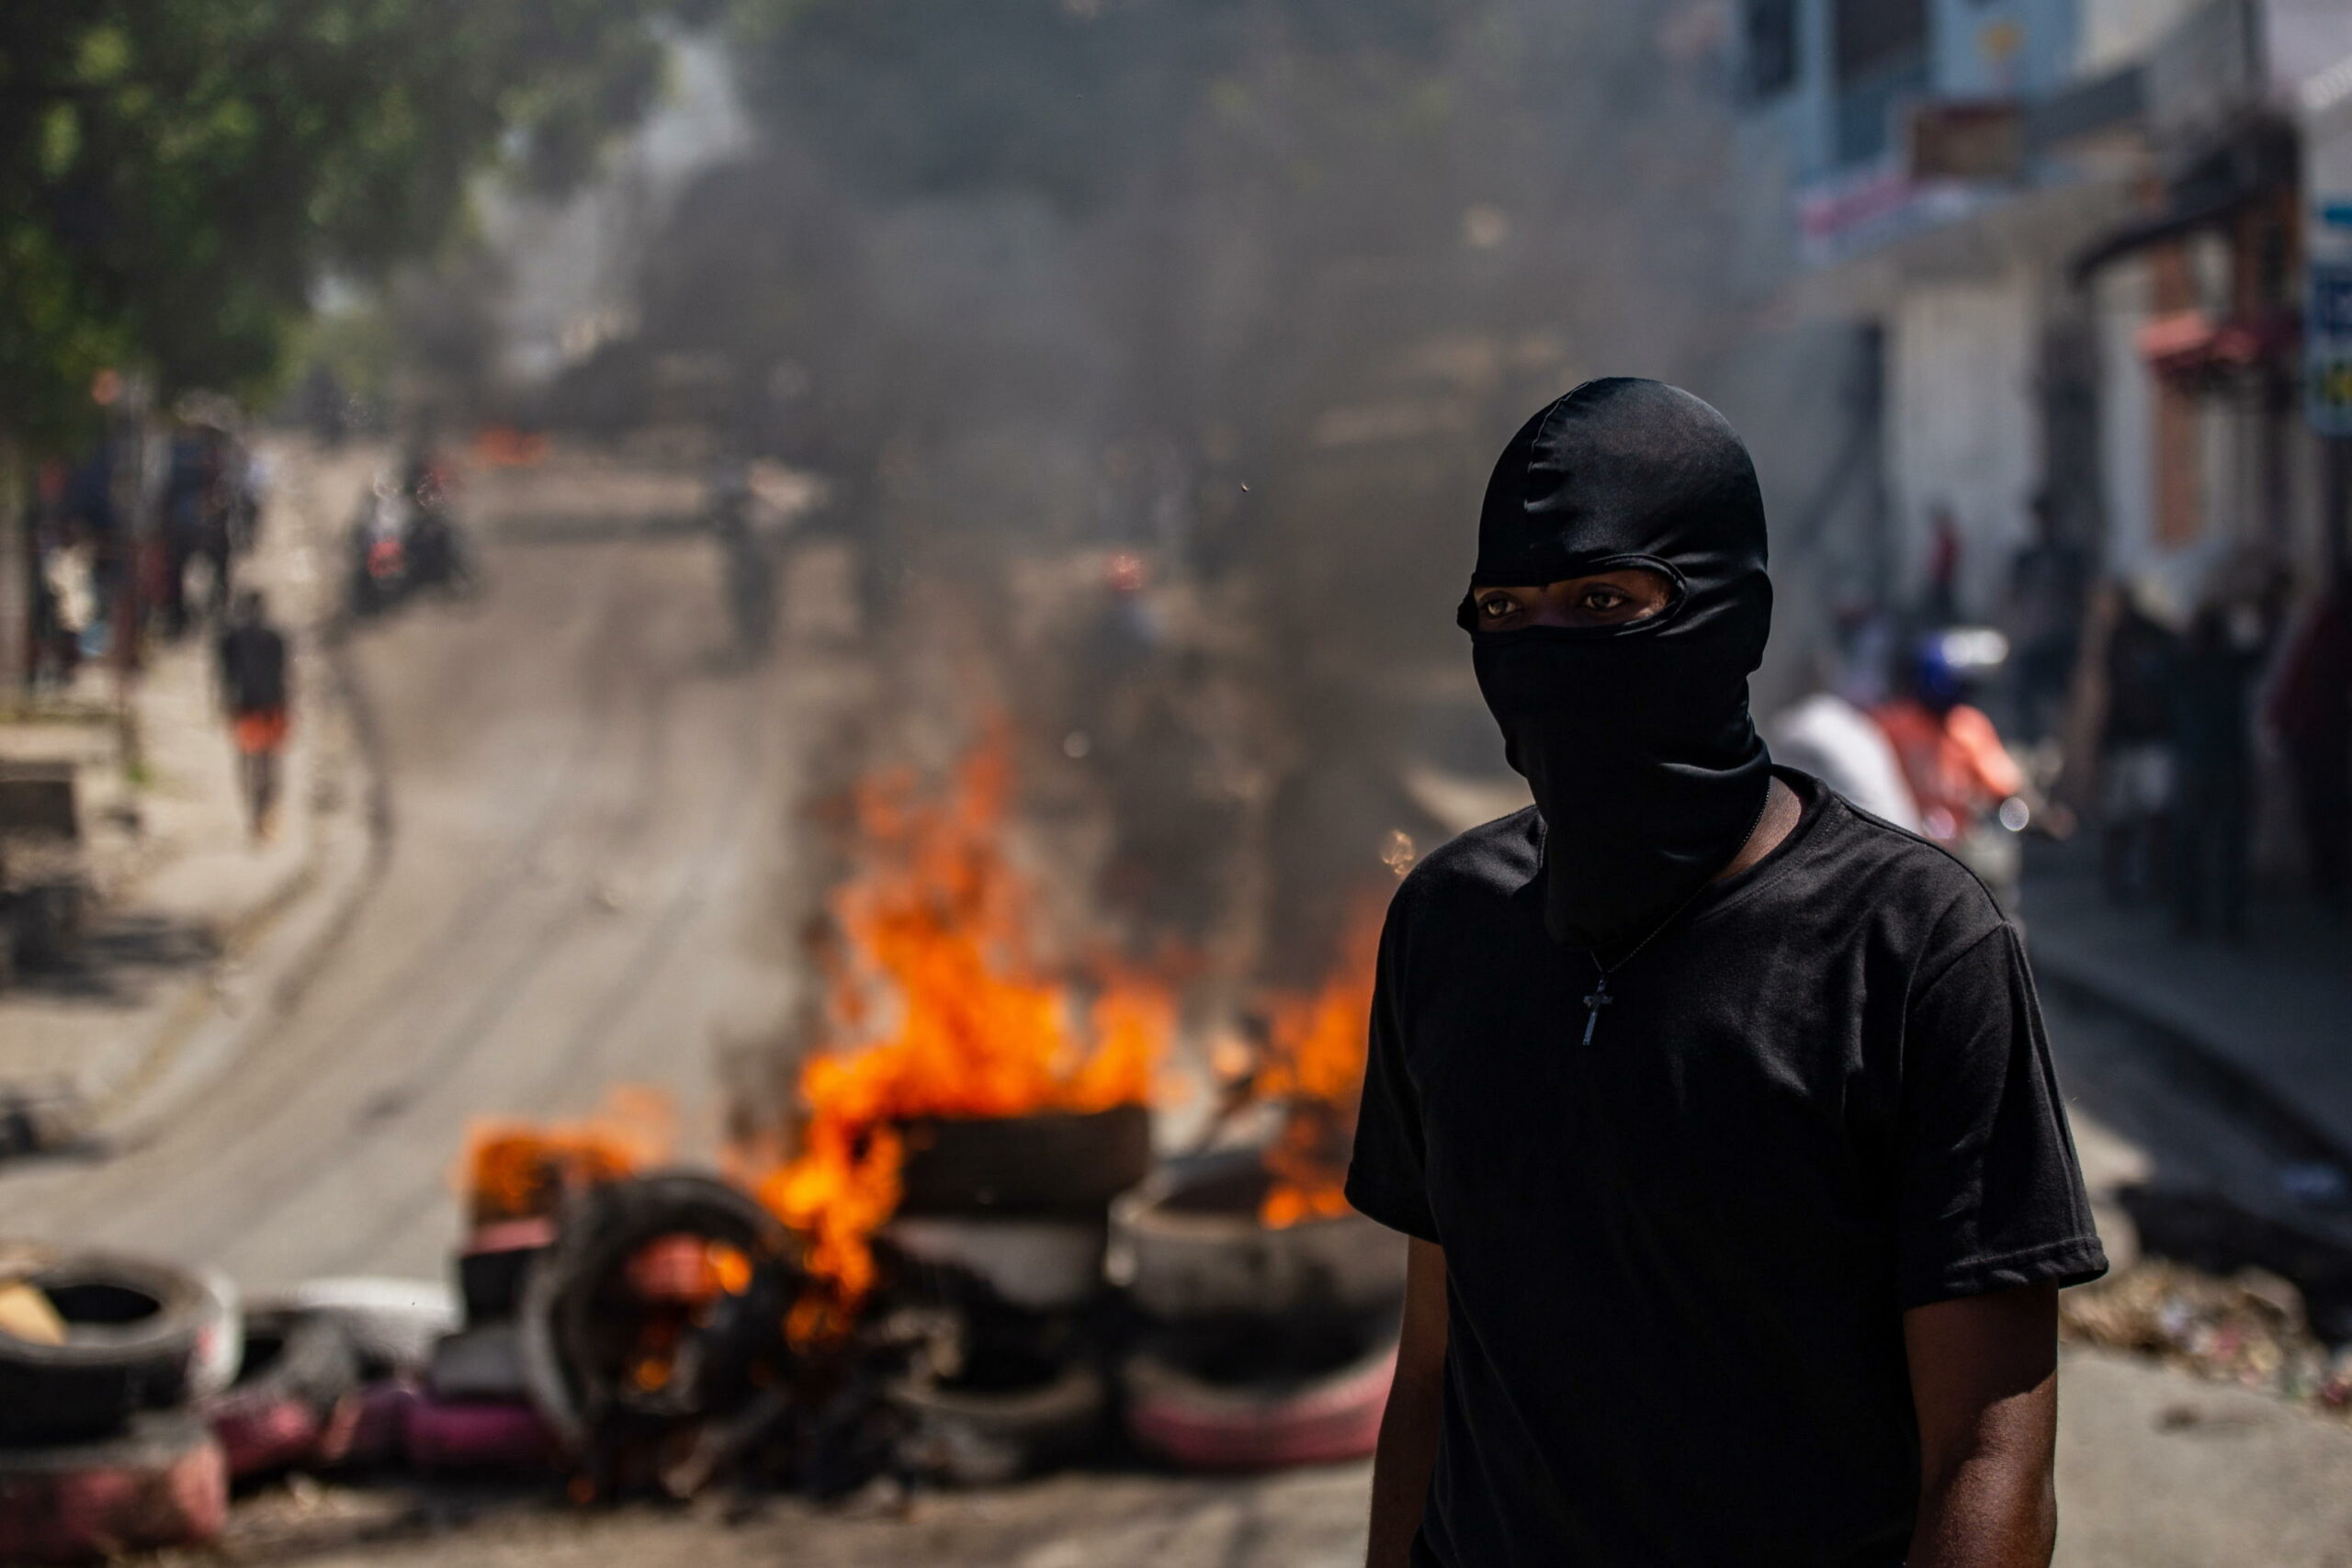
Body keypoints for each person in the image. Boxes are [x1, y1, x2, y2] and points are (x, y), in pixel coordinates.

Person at [1350, 380, 2104, 1568]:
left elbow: (1988, 1450)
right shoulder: (1446, 926)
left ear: (1732, 619)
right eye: (1506, 607)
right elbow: (1439, 1357)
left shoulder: (1911, 945)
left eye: (1604, 600)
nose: (1548, 648)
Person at [2168, 597, 2268, 940]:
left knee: (2193, 846)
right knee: (2226, 846)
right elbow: (2262, 647)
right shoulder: (2229, 663)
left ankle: (2192, 915)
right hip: (2224, 765)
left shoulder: (2185, 665)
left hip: (2199, 765)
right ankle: (2228, 918)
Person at [2267, 569, 2351, 917]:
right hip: (2318, 736)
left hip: (2313, 734)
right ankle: (2331, 888)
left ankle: (2331, 886)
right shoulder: (2327, 625)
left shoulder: (2321, 623)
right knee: (2325, 814)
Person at [2096, 582, 2177, 903]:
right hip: (2124, 741)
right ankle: (2120, 884)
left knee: (2156, 816)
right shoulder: (2117, 638)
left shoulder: (2159, 640)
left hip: (2152, 739)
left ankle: (2158, 883)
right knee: (2121, 818)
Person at [2006, 491, 2088, 747]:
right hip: (2035, 638)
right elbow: (2014, 598)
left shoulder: (2071, 558)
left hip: (2064, 639)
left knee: (2067, 701)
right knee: (2026, 698)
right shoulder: (2026, 559)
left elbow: (2082, 599)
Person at [216, 591, 291, 842]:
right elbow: (284, 675)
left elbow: (225, 677)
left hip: (248, 707)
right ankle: (263, 812)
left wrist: (225, 703)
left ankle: (256, 814)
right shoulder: (274, 637)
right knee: (267, 763)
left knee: (249, 762)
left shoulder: (232, 639)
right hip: (269, 706)